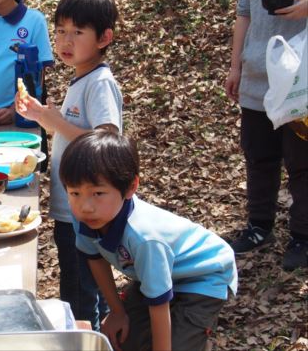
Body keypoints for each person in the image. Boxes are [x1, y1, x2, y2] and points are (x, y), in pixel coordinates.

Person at [60, 130, 238, 351]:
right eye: (75, 193)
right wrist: (116, 312)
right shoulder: (85, 219)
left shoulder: (144, 238)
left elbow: (158, 302)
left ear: (131, 187)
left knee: (175, 346)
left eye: (98, 193)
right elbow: (95, 259)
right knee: (125, 340)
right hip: (161, 272)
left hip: (204, 274)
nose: (85, 206)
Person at [15, 0, 122, 330]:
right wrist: (42, 116)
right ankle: (103, 336)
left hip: (86, 211)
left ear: (104, 37)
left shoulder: (99, 83)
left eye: (78, 32)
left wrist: (53, 122)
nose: (66, 40)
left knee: (79, 295)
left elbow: (107, 141)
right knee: (85, 287)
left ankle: (85, 341)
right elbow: (74, 129)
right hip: (72, 208)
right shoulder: (81, 79)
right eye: (61, 30)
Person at [224, 0, 308, 270]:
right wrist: (236, 66)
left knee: (302, 162)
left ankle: (303, 236)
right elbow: (244, 11)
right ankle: (259, 226)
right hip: (259, 71)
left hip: (301, 82)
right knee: (259, 157)